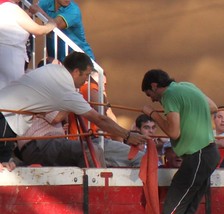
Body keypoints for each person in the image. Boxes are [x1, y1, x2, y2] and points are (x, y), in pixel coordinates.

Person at [141, 68, 220, 214]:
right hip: (208, 153)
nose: (154, 100)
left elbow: (174, 133)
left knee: (171, 213)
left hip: (197, 155)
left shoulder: (169, 96)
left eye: (150, 94)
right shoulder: (188, 87)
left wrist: (153, 114)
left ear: (155, 86)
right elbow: (212, 107)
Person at [0, 52, 146, 164]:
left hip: (8, 116)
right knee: (92, 150)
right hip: (8, 119)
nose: (85, 82)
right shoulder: (66, 89)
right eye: (86, 75)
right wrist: (128, 135)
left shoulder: (51, 70)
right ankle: (96, 193)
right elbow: (100, 119)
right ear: (76, 72)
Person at [0, 0, 56, 90]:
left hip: (6, 55)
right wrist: (51, 24)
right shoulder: (12, 8)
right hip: (11, 57)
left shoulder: (4, 8)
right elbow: (38, 30)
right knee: (11, 91)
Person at [17, 110, 105, 167]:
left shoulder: (50, 94)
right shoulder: (41, 92)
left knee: (97, 149)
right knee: (90, 150)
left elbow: (59, 118)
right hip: (37, 144)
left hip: (48, 143)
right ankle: (95, 190)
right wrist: (71, 101)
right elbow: (56, 118)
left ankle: (100, 188)